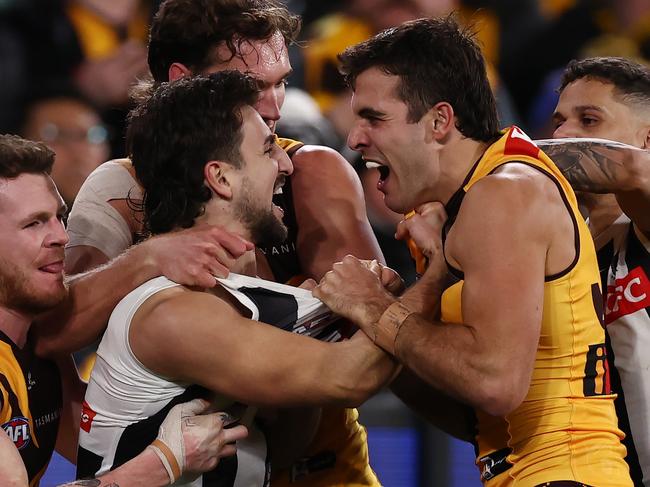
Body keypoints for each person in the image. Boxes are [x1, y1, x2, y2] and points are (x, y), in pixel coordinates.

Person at [65, 1, 386, 485]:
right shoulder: (121, 191)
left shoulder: (311, 171)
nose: (276, 106)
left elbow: (364, 328)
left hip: (321, 468)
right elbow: (48, 333)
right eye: (252, 87)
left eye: (281, 81)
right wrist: (148, 257)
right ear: (183, 81)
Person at [313, 16, 632, 486]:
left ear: (440, 121)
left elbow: (494, 382)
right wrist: (378, 327)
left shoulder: (503, 192)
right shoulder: (478, 200)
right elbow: (477, 417)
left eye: (374, 119)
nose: (356, 139)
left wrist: (376, 307)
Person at [0, 134, 248, 486]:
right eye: (34, 223)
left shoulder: (33, 344)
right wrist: (164, 462)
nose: (61, 237)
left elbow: (95, 448)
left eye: (59, 216)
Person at [539, 56, 650, 486]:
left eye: (589, 120)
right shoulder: (556, 252)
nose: (563, 135)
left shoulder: (640, 228)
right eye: (559, 121)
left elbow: (633, 171)